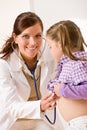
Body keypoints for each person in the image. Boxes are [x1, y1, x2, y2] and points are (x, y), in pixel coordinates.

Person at [0, 12, 57, 130]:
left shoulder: (51, 56)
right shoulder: (4, 64)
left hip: (44, 118)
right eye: (26, 36)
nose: (33, 43)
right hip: (14, 121)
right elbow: (11, 107)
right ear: (15, 38)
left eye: (38, 36)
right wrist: (39, 105)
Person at [46, 20, 87, 130]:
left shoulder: (77, 64)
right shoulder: (69, 64)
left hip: (82, 124)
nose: (50, 51)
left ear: (59, 45)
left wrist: (63, 90)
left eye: (50, 47)